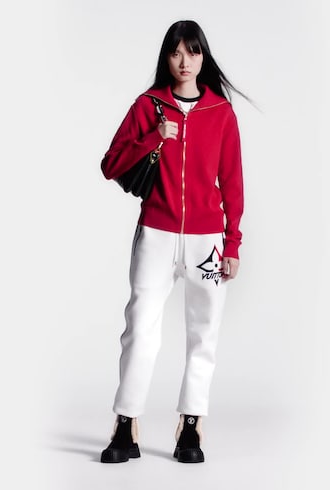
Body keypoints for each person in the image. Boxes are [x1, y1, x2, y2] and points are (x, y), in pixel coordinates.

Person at [99, 19, 246, 464]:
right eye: (176, 52)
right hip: (157, 235)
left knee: (204, 334)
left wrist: (232, 243)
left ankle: (191, 425)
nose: (185, 62)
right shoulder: (148, 106)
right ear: (166, 57)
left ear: (203, 57)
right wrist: (153, 137)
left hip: (207, 240)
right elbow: (110, 164)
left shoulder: (220, 112)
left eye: (193, 52)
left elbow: (232, 182)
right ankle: (126, 424)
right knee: (140, 329)